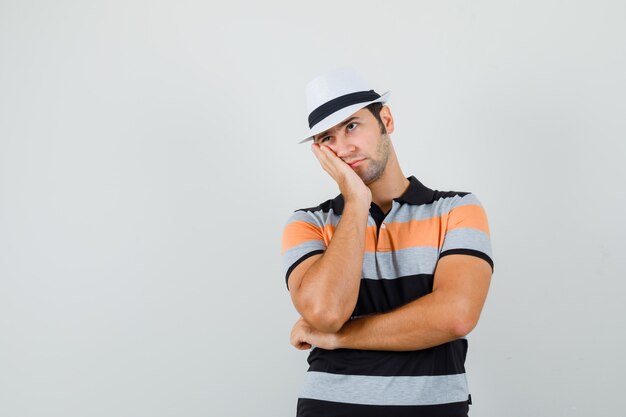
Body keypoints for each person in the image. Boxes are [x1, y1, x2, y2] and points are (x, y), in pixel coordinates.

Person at [281, 68, 494, 417]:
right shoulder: (308, 223)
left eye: (351, 125)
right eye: (327, 138)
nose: (344, 148)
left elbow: (455, 316)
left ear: (386, 120)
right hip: (329, 407)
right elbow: (326, 313)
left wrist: (339, 338)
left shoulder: (457, 209)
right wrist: (355, 203)